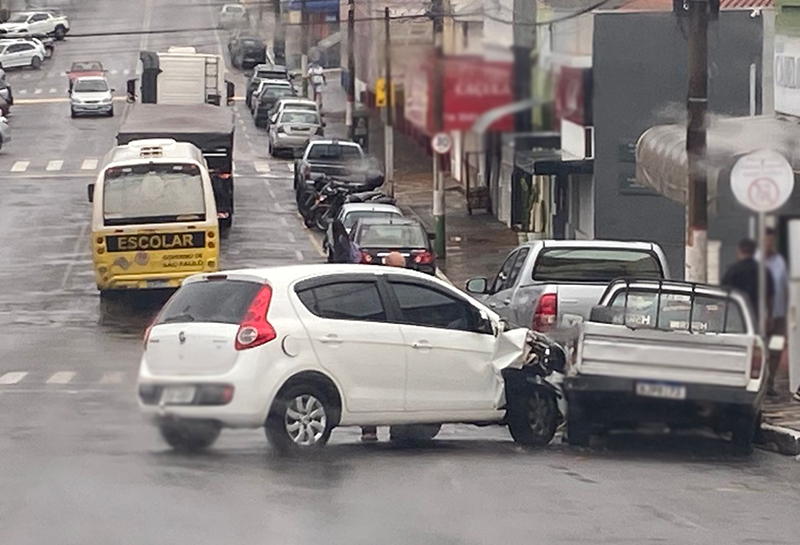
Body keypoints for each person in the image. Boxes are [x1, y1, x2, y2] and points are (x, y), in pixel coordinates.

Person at [360, 250, 406, 443]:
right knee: (375, 385)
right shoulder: (378, 286)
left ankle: (397, 428)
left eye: (401, 268)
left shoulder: (403, 286)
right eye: (395, 267)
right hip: (378, 346)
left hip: (399, 348)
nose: (399, 271)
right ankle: (369, 428)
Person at [721, 237, 774, 330]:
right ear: (754, 252)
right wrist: (769, 316)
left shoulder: (733, 271)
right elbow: (770, 297)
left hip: (735, 316)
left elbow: (723, 294)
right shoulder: (763, 271)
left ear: (739, 250)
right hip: (757, 315)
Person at [763, 228, 789, 396]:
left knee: (776, 349)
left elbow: (785, 287)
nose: (769, 244)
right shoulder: (756, 261)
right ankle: (760, 383)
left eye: (772, 241)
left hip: (779, 315)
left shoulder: (779, 261)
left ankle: (770, 382)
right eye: (767, 241)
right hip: (761, 317)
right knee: (762, 350)